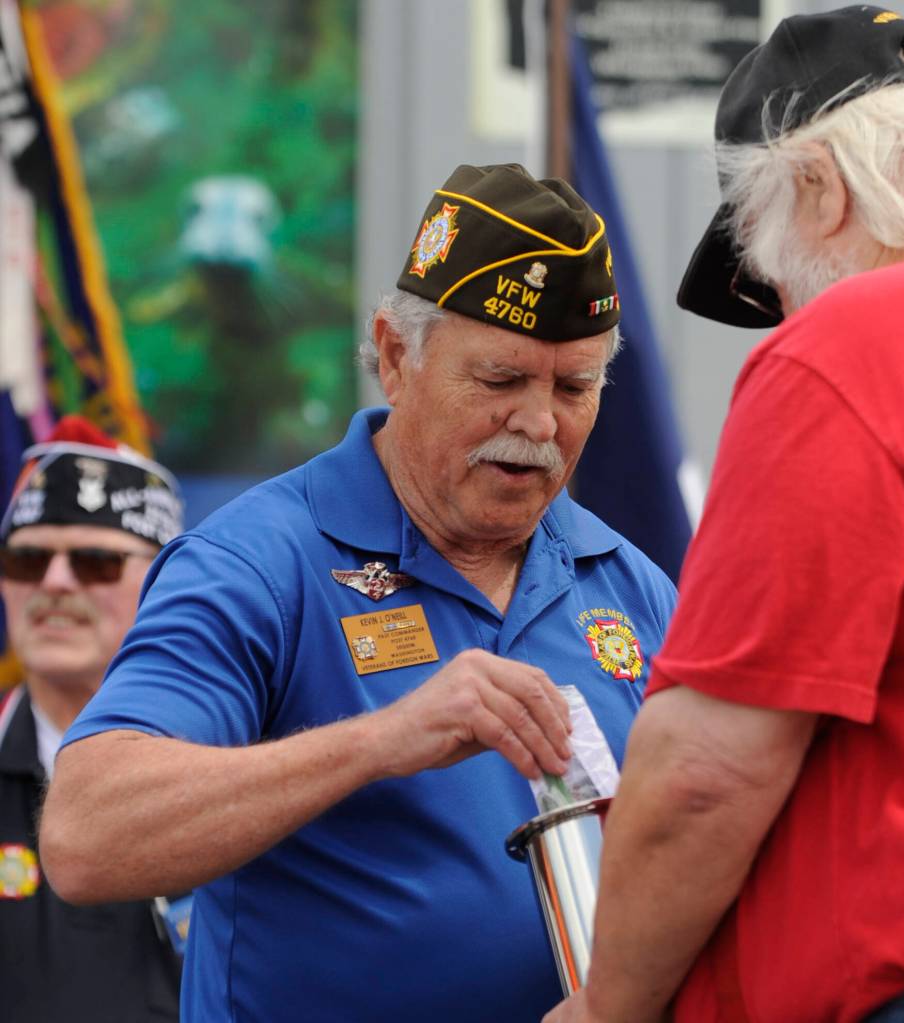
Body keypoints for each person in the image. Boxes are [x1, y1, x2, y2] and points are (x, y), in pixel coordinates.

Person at [39, 163, 677, 1022]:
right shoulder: (259, 560)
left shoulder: (631, 583)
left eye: (574, 387)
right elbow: (86, 838)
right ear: (392, 355)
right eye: (498, 381)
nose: (538, 424)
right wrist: (386, 738)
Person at [543, 7, 904, 1023]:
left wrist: (608, 1004)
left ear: (818, 186)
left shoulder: (867, 338)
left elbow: (711, 763)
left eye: (763, 267)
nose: (784, 307)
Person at [0, 415, 186, 1022]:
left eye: (94, 561)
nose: (54, 583)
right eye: (27, 560)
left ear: (166, 582)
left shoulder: (238, 763)